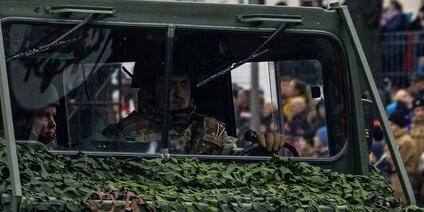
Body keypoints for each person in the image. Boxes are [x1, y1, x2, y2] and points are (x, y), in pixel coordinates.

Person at [102, 62, 288, 155]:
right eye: (169, 85)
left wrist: (263, 148)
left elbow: (235, 162)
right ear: (150, 91)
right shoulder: (124, 132)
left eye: (184, 84)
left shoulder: (212, 130)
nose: (179, 93)